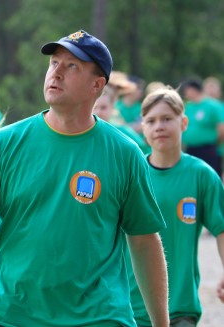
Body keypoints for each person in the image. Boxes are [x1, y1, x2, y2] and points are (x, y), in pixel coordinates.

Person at [0, 30, 169, 326]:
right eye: (54, 63)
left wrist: (161, 323)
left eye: (72, 66)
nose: (56, 72)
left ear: (97, 85)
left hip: (97, 318)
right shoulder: (4, 144)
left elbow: (145, 240)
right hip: (10, 316)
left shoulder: (124, 153)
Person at [126, 87, 224, 327]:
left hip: (179, 308)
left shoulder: (202, 175)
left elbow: (221, 229)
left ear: (184, 122)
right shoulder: (132, 173)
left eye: (167, 118)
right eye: (151, 120)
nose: (159, 126)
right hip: (129, 307)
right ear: (143, 128)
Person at [180, 78, 224, 177]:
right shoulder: (188, 106)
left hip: (208, 149)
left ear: (193, 89)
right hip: (191, 149)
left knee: (211, 177)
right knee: (193, 177)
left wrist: (213, 143)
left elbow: (221, 128)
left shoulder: (213, 105)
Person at [93, 84, 150, 154]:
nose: (98, 112)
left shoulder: (122, 132)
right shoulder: (83, 133)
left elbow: (145, 151)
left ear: (112, 107)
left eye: (103, 107)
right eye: (95, 107)